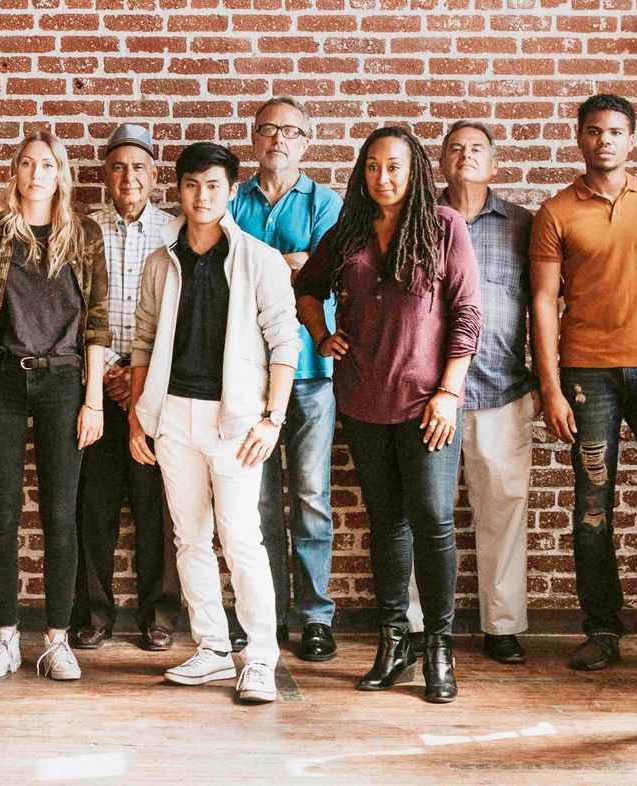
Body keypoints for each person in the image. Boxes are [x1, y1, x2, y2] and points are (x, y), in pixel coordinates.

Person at [296, 126, 482, 704]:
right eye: (373, 166)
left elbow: (468, 313)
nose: (383, 177)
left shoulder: (444, 226)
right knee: (387, 523)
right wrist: (321, 335)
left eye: (395, 166)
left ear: (415, 171)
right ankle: (394, 640)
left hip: (428, 404)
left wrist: (449, 393)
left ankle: (439, 646)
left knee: (433, 519)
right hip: (362, 398)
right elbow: (307, 287)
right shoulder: (348, 229)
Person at [127, 142, 298, 704]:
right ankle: (213, 649)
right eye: (191, 184)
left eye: (213, 186)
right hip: (173, 415)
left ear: (230, 191)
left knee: (242, 537)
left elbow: (285, 344)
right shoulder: (161, 260)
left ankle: (261, 658)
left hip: (237, 421)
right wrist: (138, 418)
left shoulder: (260, 260)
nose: (201, 196)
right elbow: (143, 342)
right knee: (190, 538)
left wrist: (272, 419)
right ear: (178, 189)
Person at [529, 94, 637, 672]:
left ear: (632, 140)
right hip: (586, 375)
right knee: (593, 507)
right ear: (580, 138)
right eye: (595, 131)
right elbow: (543, 302)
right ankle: (602, 628)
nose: (605, 141)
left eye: (616, 132)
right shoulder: (555, 212)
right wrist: (551, 387)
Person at [0, 131, 109, 682]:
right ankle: (4, 638)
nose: (36, 173)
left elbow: (97, 323)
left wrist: (93, 401)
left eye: (47, 164)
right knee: (1, 514)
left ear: (60, 173)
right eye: (27, 164)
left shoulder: (84, 234)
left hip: (64, 381)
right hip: (1, 379)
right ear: (14, 172)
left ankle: (56, 641)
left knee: (60, 516)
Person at [405, 121, 537, 665]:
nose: (465, 155)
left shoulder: (524, 226)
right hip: (428, 395)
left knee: (503, 509)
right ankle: (416, 625)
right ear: (440, 163)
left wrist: (546, 382)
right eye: (455, 148)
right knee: (423, 513)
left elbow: (545, 305)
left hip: (502, 390)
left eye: (477, 148)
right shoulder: (417, 219)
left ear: (496, 164)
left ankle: (502, 626)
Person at [226, 96, 344, 659]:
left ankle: (315, 617)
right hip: (246, 375)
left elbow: (326, 274)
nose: (278, 139)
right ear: (254, 138)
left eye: (291, 131)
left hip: (312, 372)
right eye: (268, 129)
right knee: (257, 503)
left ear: (306, 142)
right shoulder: (231, 199)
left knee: (312, 496)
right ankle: (265, 616)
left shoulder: (327, 202)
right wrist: (289, 263)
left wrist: (266, 265)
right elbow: (225, 273)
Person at [74, 124, 182, 653]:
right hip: (95, 389)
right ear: (105, 174)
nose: (128, 177)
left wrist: (138, 378)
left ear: (154, 175)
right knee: (92, 507)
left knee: (156, 509)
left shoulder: (175, 231)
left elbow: (182, 315)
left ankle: (159, 614)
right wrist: (108, 373)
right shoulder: (83, 229)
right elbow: (71, 308)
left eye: (138, 167)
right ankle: (93, 614)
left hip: (156, 391)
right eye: (118, 167)